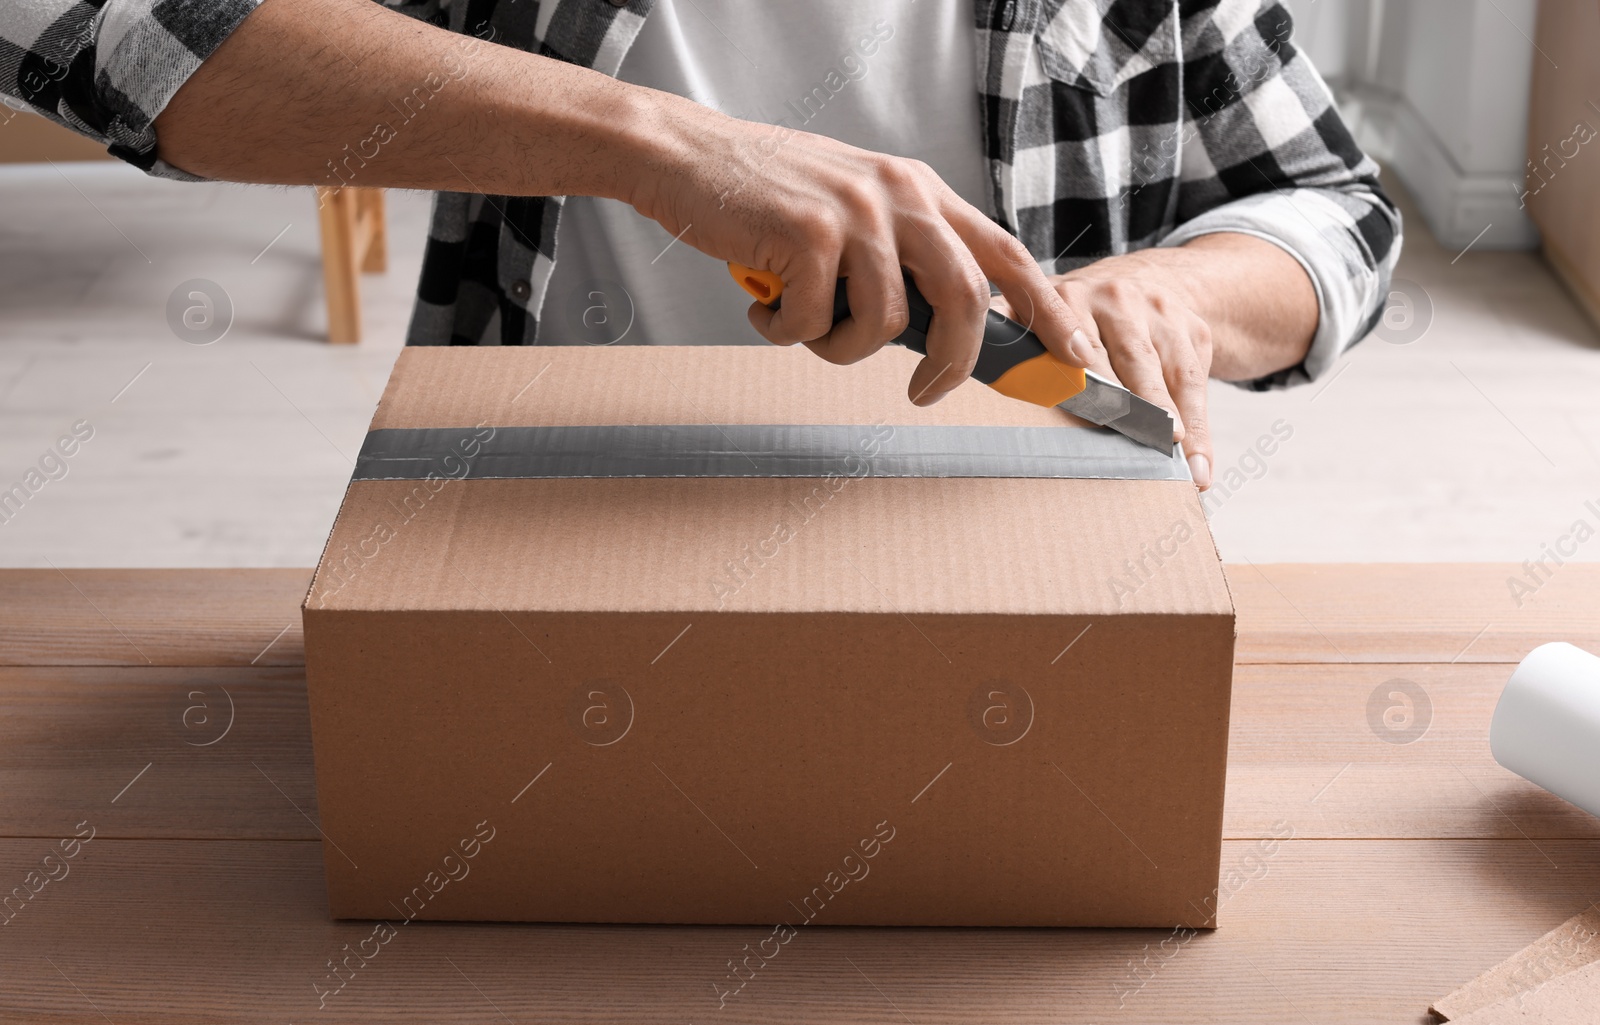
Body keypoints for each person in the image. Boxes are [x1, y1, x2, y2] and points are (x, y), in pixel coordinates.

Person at [1, 0, 1400, 489]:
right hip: (560, 517)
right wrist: (655, 143)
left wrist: (1180, 296)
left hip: (1016, 523)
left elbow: (1342, 205)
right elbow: (91, 27)